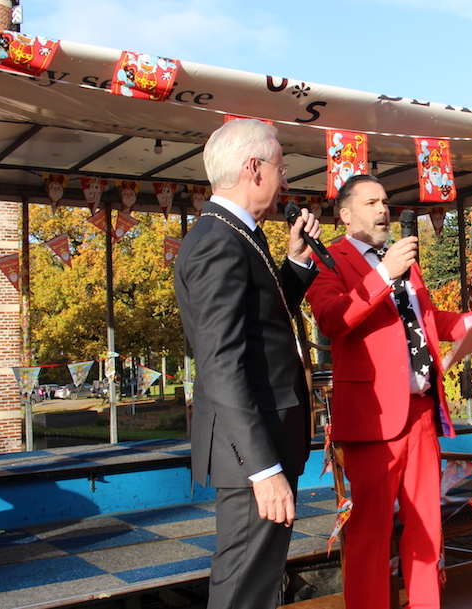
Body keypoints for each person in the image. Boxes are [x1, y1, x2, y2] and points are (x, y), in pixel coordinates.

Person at [305, 174, 472, 609]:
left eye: (385, 201)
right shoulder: (328, 259)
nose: (383, 209)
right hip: (373, 417)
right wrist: (383, 274)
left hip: (421, 413)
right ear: (345, 214)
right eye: (371, 202)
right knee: (370, 531)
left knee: (426, 526)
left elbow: (428, 320)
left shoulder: (403, 259)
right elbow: (332, 319)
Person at [174, 119, 320, 609]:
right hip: (251, 449)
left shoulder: (236, 233)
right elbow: (221, 364)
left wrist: (295, 263)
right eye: (281, 168)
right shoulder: (218, 240)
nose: (285, 182)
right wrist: (263, 469)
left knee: (258, 583)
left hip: (261, 439)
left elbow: (263, 324)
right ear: (253, 168)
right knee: (244, 588)